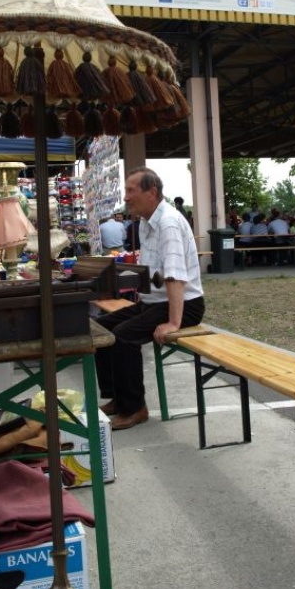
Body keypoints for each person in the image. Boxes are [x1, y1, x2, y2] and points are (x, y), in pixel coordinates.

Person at [94, 168, 205, 430]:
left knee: (122, 335)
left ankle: (135, 408)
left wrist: (173, 323)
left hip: (183, 306)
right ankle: (118, 397)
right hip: (156, 303)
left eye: (131, 191)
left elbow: (174, 277)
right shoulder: (145, 222)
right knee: (101, 327)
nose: (126, 197)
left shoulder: (168, 222)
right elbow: (152, 272)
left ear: (151, 192)